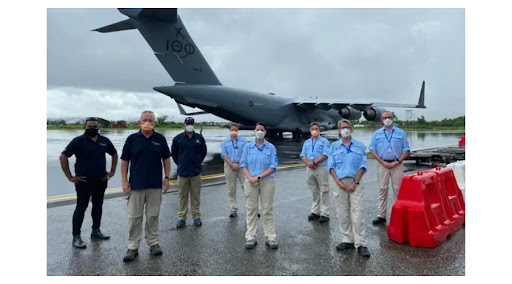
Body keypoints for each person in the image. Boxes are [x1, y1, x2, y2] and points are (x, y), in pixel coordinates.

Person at [120, 110, 171, 262]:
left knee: (152, 216)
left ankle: (153, 243)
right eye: (145, 120)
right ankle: (133, 247)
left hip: (155, 185)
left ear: (154, 123)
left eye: (150, 120)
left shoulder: (160, 139)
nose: (147, 122)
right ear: (139, 122)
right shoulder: (132, 139)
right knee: (134, 217)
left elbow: (166, 159)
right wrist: (124, 180)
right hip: (136, 184)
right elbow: (124, 161)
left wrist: (167, 177)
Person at [59, 117, 118, 249]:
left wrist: (112, 171)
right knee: (81, 207)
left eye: (95, 126)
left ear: (98, 127)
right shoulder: (78, 141)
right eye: (89, 126)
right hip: (83, 182)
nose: (92, 129)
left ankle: (96, 230)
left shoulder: (104, 141)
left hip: (101, 180)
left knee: (98, 206)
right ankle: (76, 236)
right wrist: (70, 177)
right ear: (85, 127)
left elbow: (114, 154)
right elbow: (63, 156)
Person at [328, 119, 370, 258]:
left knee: (358, 213)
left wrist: (355, 181)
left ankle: (361, 243)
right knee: (342, 213)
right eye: (342, 127)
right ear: (339, 130)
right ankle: (347, 240)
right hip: (339, 182)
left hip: (355, 181)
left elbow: (363, 165)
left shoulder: (359, 145)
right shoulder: (334, 146)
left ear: (351, 128)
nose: (345, 129)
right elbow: (331, 166)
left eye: (347, 127)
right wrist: (338, 182)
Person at [240, 122, 279, 249]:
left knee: (267, 210)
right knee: (251, 209)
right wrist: (250, 178)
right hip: (250, 181)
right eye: (257, 130)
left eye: (262, 130)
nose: (259, 132)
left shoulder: (271, 147)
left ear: (265, 132)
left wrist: (258, 177)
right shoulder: (248, 147)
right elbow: (243, 164)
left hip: (266, 181)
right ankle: (250, 237)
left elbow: (273, 166)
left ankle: (271, 237)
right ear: (254, 131)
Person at [369, 111, 410, 225]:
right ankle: (381, 215)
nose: (387, 119)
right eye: (385, 117)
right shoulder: (377, 134)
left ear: (393, 118)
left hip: (397, 164)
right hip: (383, 164)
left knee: (398, 189)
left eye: (389, 117)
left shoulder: (400, 133)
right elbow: (372, 149)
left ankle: (398, 214)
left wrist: (398, 161)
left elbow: (406, 149)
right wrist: (381, 161)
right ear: (381, 120)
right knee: (383, 189)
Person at [172, 117, 207, 228]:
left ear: (193, 125)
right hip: (183, 172)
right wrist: (181, 163)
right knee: (182, 197)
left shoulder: (199, 138)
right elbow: (174, 154)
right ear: (184, 125)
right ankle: (181, 217)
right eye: (188, 123)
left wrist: (197, 162)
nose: (189, 125)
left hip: (196, 172)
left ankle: (196, 216)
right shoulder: (178, 139)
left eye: (191, 123)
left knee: (195, 196)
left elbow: (203, 152)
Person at [299, 122, 331, 223]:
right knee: (314, 190)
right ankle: (315, 211)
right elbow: (302, 154)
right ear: (310, 130)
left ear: (319, 130)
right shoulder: (307, 142)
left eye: (316, 129)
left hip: (321, 167)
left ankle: (325, 213)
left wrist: (314, 162)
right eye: (312, 129)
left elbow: (325, 154)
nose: (314, 130)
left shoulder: (324, 141)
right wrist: (308, 163)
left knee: (324, 190)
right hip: (310, 168)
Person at [221, 122, 248, 217]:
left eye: (235, 130)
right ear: (229, 130)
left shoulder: (243, 141)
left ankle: (251, 207)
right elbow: (224, 155)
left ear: (238, 131)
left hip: (241, 165)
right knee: (231, 188)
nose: (234, 131)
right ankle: (233, 208)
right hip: (229, 165)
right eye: (232, 130)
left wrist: (239, 164)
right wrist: (232, 165)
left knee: (246, 186)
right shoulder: (225, 142)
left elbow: (245, 153)